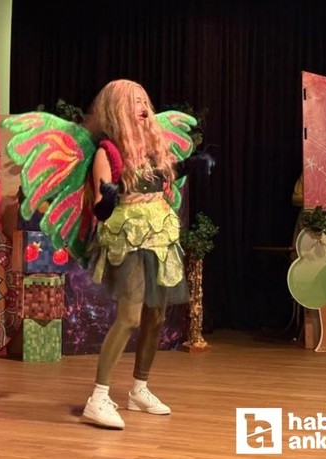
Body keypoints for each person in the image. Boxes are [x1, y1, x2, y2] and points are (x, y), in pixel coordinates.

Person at [80, 79, 213, 429]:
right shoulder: (108, 152)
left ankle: (139, 389)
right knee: (130, 317)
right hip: (128, 237)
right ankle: (98, 397)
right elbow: (100, 207)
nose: (142, 106)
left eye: (144, 100)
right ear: (116, 110)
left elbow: (161, 179)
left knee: (156, 316)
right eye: (133, 101)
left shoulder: (154, 147)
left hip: (160, 234)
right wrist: (107, 200)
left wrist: (191, 165)